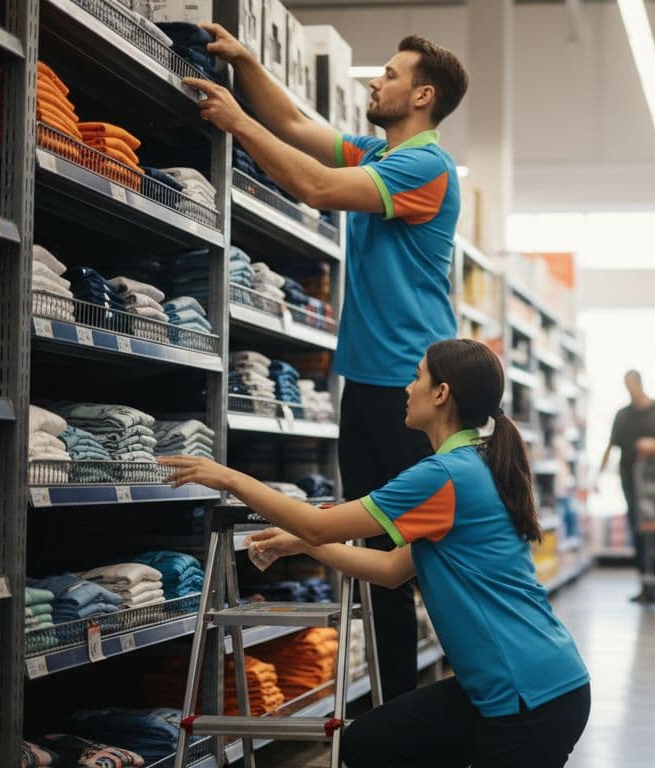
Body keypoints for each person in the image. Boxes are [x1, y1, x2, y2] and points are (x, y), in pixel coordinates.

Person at [183, 27, 469, 703]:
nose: (376, 82)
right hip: (368, 389)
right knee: (377, 567)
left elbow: (312, 185)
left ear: (422, 95)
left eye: (391, 75)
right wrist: (249, 64)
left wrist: (234, 121)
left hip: (414, 390)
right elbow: (293, 123)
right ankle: (399, 714)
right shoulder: (378, 151)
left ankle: (466, 703)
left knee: (420, 561)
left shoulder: (425, 167)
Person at [160, 339, 590, 768]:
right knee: (368, 742)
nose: (407, 388)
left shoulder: (443, 475)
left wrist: (232, 479)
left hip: (529, 696)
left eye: (417, 376)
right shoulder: (470, 465)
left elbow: (318, 523)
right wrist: (306, 543)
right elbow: (389, 569)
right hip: (523, 685)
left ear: (441, 394)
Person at [599, 370, 655, 604]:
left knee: (652, 531)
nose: (630, 388)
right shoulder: (622, 415)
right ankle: (644, 583)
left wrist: (653, 445)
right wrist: (598, 477)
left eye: (632, 384)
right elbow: (610, 446)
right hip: (630, 483)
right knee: (637, 531)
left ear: (640, 383)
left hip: (654, 482)